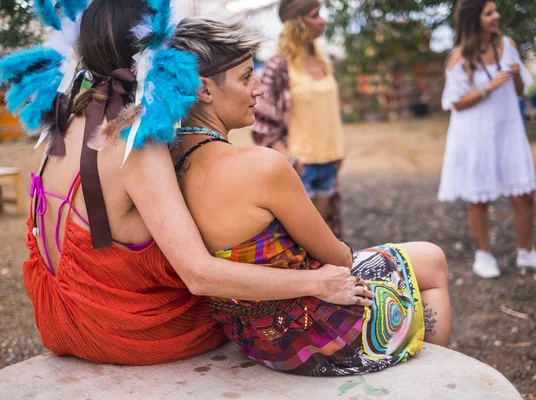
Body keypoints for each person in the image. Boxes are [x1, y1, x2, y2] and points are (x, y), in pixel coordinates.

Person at [0, 0, 370, 365]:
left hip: (57, 316)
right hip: (121, 330)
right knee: (251, 305)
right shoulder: (135, 142)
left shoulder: (63, 125)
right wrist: (318, 283)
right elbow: (198, 275)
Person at [165, 17, 450, 376]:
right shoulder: (261, 166)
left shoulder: (168, 161)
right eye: (245, 77)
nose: (259, 89)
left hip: (253, 336)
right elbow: (337, 257)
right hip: (315, 333)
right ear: (203, 89)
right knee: (432, 260)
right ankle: (432, 380)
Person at [438, 0, 536, 279]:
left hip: (508, 130)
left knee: (525, 193)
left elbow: (519, 91)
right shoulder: (459, 55)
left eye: (495, 11)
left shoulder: (508, 44)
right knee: (479, 197)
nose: (497, 16)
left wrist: (516, 76)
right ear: (474, 19)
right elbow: (455, 103)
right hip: (476, 134)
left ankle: (527, 253)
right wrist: (488, 88)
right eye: (489, 12)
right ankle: (483, 255)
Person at [252, 0, 344, 237]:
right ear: (298, 23)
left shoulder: (323, 61)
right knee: (297, 240)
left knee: (324, 237)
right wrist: (289, 159)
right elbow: (262, 120)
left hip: (329, 161)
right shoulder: (278, 66)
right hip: (300, 166)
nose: (322, 21)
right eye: (315, 15)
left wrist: (338, 152)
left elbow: (328, 112)